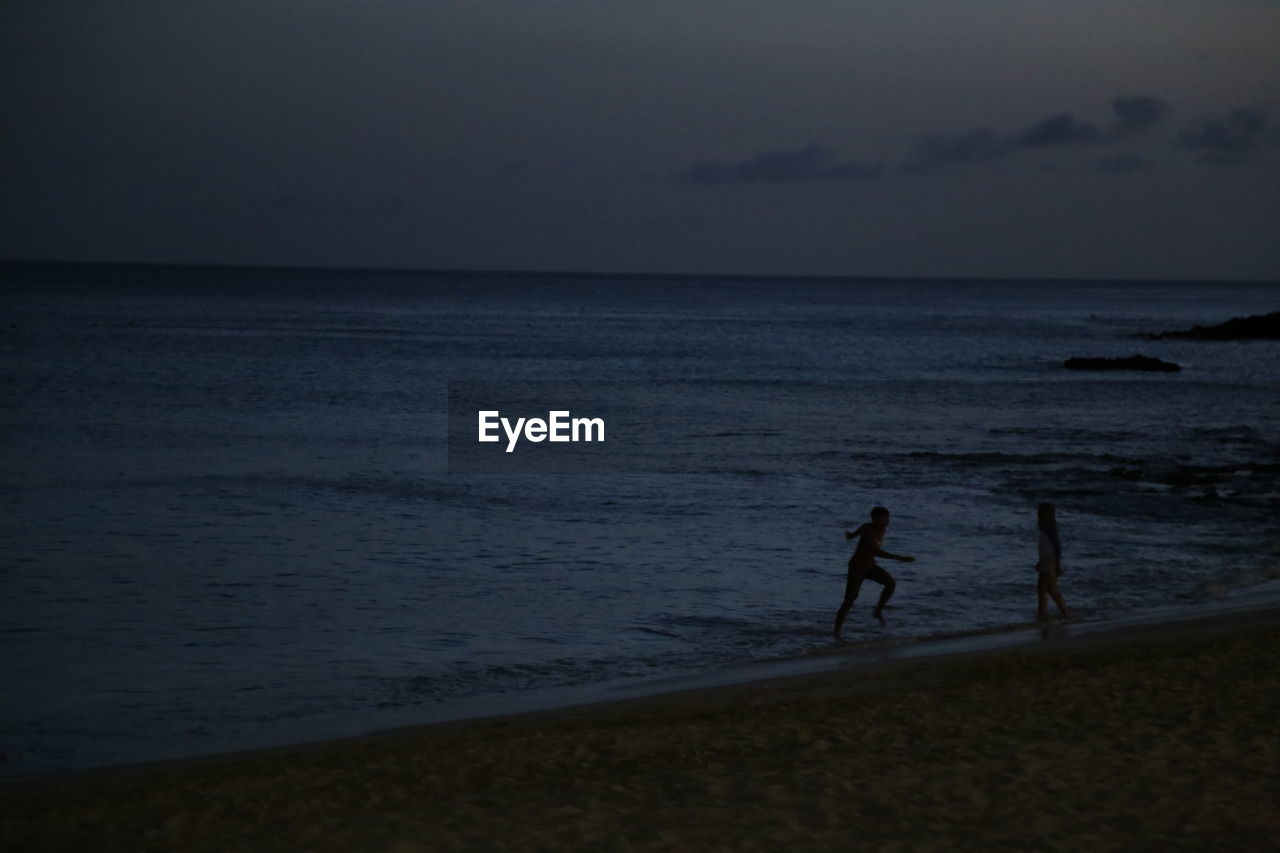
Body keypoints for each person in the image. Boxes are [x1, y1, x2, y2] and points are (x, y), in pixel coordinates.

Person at [833, 506, 914, 636]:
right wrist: (900, 558)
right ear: (876, 519)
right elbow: (876, 551)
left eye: (888, 518)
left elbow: (857, 532)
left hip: (870, 566)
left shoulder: (882, 529)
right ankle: (836, 630)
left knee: (890, 583)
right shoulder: (868, 530)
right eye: (884, 519)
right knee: (850, 598)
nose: (887, 521)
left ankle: (878, 611)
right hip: (857, 566)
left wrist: (851, 535)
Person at [1036, 502, 1071, 620]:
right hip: (1047, 561)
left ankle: (1042, 613)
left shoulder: (1050, 530)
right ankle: (1065, 613)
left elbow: (1057, 548)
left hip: (1050, 562)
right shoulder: (1047, 530)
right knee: (1051, 589)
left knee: (1041, 588)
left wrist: (1058, 565)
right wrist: (1040, 561)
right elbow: (1045, 548)